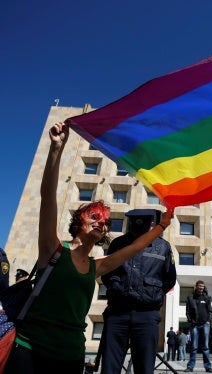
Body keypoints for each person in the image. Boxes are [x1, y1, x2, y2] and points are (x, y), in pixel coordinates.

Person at [4, 122, 173, 374]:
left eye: (105, 222)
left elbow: (136, 246)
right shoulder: (52, 249)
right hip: (31, 349)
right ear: (79, 222)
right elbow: (48, 198)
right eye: (94, 216)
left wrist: (162, 225)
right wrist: (56, 149)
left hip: (71, 354)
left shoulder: (98, 266)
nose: (101, 223)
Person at [100, 208, 176, 374]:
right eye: (135, 223)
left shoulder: (163, 247)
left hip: (147, 314)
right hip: (117, 313)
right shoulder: (117, 244)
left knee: (144, 368)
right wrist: (116, 287)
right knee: (109, 368)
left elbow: (169, 278)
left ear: (151, 224)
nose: (138, 227)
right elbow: (106, 272)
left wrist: (150, 294)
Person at [184, 280, 212, 373]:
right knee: (193, 347)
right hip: (194, 325)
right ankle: (190, 367)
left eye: (203, 286)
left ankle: (208, 367)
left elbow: (210, 311)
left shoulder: (207, 297)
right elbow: (187, 311)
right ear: (196, 286)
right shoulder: (190, 297)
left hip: (205, 324)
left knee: (205, 347)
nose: (201, 287)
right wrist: (190, 320)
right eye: (200, 286)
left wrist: (209, 321)